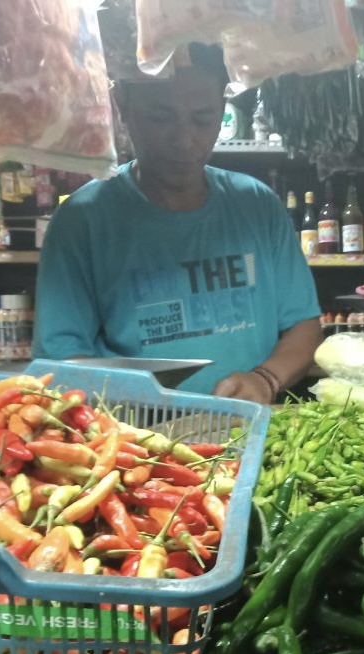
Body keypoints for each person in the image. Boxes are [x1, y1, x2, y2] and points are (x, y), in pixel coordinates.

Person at [33, 44, 323, 403]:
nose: (184, 139)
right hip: (134, 445)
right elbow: (62, 361)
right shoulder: (82, 221)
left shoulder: (258, 205)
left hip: (253, 430)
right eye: (160, 117)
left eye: (202, 119)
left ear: (222, 109)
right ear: (123, 105)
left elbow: (305, 325)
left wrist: (265, 379)